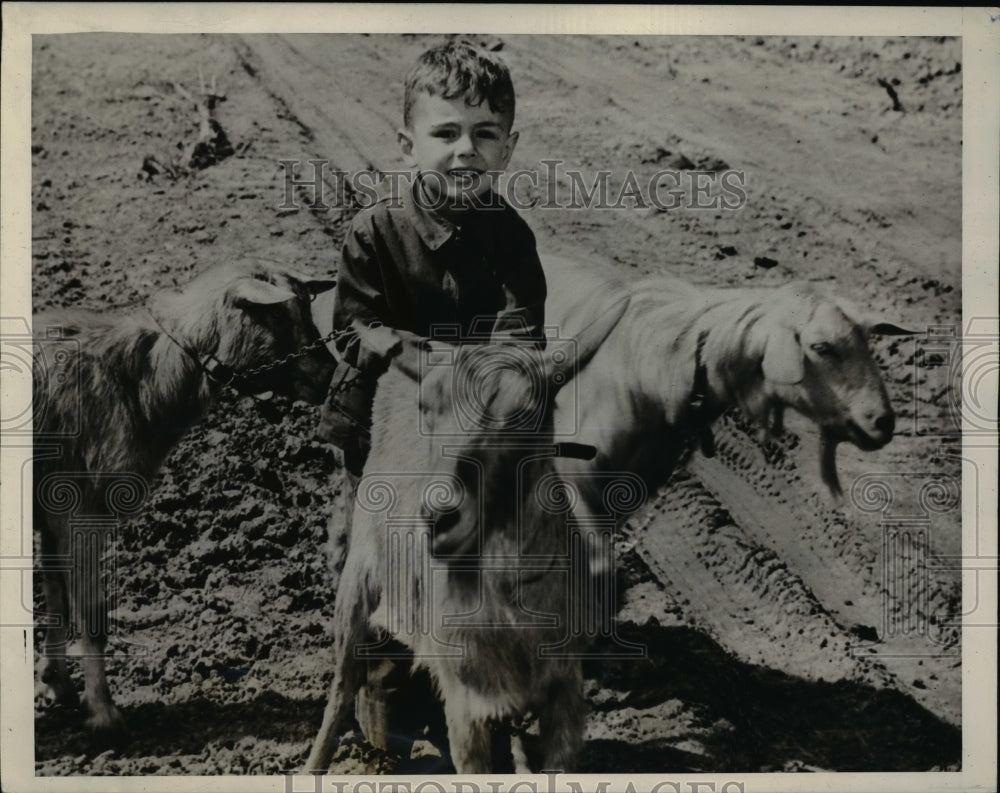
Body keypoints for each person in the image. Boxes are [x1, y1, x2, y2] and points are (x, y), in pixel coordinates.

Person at [316, 38, 547, 476]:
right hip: (384, 411)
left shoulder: (511, 236)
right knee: (370, 518)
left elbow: (522, 329)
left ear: (507, 149)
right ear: (408, 147)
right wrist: (428, 361)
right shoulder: (375, 230)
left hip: (478, 412)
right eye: (445, 133)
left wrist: (483, 376)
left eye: (485, 133)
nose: (466, 149)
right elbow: (355, 329)